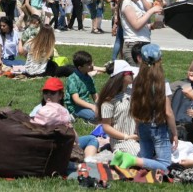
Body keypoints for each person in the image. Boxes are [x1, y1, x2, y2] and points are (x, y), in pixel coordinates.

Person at [111, 43, 177, 172]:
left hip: (142, 124)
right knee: (166, 165)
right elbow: (168, 112)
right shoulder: (163, 83)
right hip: (158, 126)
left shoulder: (137, 81)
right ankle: (131, 159)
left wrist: (137, 125)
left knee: (146, 162)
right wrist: (175, 133)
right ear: (160, 60)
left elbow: (135, 105)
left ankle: (130, 160)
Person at [95, 61, 140, 157]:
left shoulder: (131, 91)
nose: (132, 74)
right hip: (121, 140)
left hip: (137, 135)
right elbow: (106, 127)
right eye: (129, 73)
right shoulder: (109, 100)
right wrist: (127, 137)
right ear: (121, 76)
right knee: (140, 156)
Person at [119, 0, 161, 64]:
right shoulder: (127, 3)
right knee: (138, 76)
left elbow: (140, 24)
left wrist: (152, 26)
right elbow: (136, 25)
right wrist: (151, 11)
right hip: (134, 45)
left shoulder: (135, 3)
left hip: (142, 43)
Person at [64, 50, 98, 123]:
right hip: (76, 107)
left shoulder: (89, 78)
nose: (92, 65)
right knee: (95, 117)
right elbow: (76, 100)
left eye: (91, 62)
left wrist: (101, 105)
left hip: (86, 104)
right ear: (80, 68)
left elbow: (95, 95)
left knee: (106, 113)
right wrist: (92, 106)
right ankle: (75, 116)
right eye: (88, 64)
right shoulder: (72, 79)